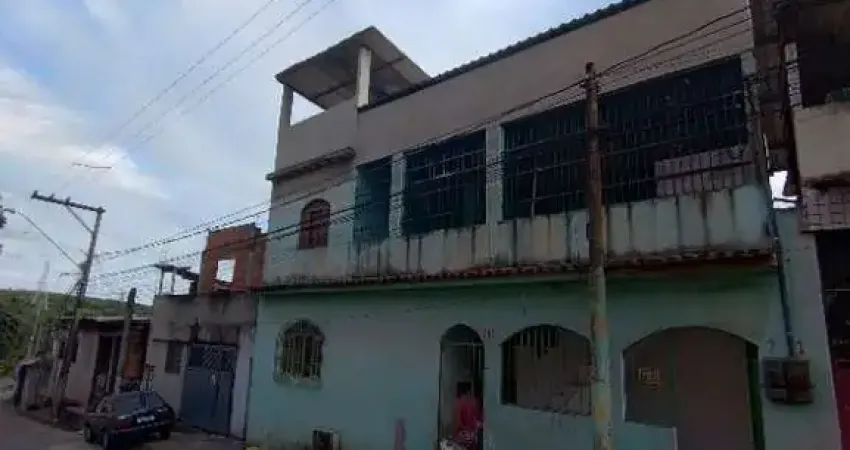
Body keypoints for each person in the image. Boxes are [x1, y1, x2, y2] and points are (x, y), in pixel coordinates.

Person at [452, 381, 482, 450]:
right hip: (470, 435)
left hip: (462, 436)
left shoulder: (458, 403)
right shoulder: (473, 402)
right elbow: (476, 420)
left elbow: (457, 423)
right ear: (468, 391)